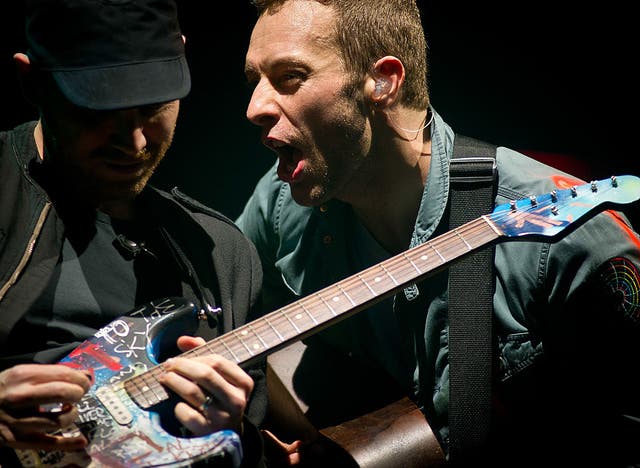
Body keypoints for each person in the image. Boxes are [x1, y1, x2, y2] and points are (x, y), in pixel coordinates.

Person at [237, 0, 640, 465]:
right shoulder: (279, 204)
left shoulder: (569, 242)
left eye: (290, 77)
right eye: (254, 82)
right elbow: (233, 330)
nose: (254, 108)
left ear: (383, 81)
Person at [0, 0, 267, 466]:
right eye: (99, 110)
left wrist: (233, 434)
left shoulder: (220, 255)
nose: (136, 142)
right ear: (32, 82)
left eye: (153, 105)